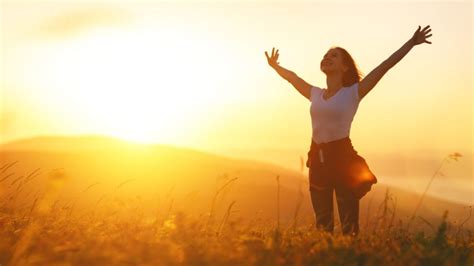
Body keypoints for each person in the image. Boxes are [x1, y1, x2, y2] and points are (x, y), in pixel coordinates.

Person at [265, 25, 433, 236]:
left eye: (334, 56)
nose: (327, 57)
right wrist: (275, 66)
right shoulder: (315, 94)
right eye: (326, 55)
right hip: (317, 160)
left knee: (349, 226)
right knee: (322, 225)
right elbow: (293, 78)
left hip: (343, 160)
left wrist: (411, 43)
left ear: (345, 67)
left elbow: (384, 67)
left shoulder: (354, 92)